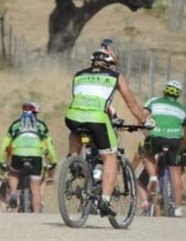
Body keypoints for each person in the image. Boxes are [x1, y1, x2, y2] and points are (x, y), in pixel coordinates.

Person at [64, 43, 151, 217]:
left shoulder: (79, 75)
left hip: (72, 117)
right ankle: (105, 200)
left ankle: (74, 162)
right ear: (111, 64)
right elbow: (132, 103)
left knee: (76, 130)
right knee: (110, 156)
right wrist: (144, 121)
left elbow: (80, 98)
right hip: (97, 119)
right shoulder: (115, 76)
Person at [0, 102, 58, 213]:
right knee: (35, 187)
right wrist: (53, 161)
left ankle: (14, 193)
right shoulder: (41, 125)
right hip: (36, 155)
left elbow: (4, 145)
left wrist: (2, 161)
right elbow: (50, 146)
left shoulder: (15, 124)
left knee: (13, 173)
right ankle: (36, 213)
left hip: (18, 153)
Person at [142, 80, 186, 217]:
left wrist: (147, 131)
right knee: (175, 173)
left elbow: (143, 115)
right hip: (175, 140)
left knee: (147, 154)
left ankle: (152, 177)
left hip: (156, 136)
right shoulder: (182, 109)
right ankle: (178, 208)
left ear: (164, 91)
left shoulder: (154, 101)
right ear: (178, 95)